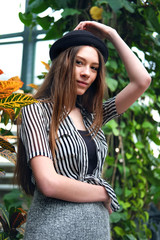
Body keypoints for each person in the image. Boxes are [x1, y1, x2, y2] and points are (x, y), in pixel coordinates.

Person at [15, 21, 151, 240]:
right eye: (79, 63)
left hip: (96, 230)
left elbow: (142, 81)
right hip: (54, 230)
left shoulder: (93, 116)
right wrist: (103, 192)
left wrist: (111, 33)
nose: (87, 73)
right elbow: (48, 183)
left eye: (94, 67)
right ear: (62, 64)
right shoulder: (36, 111)